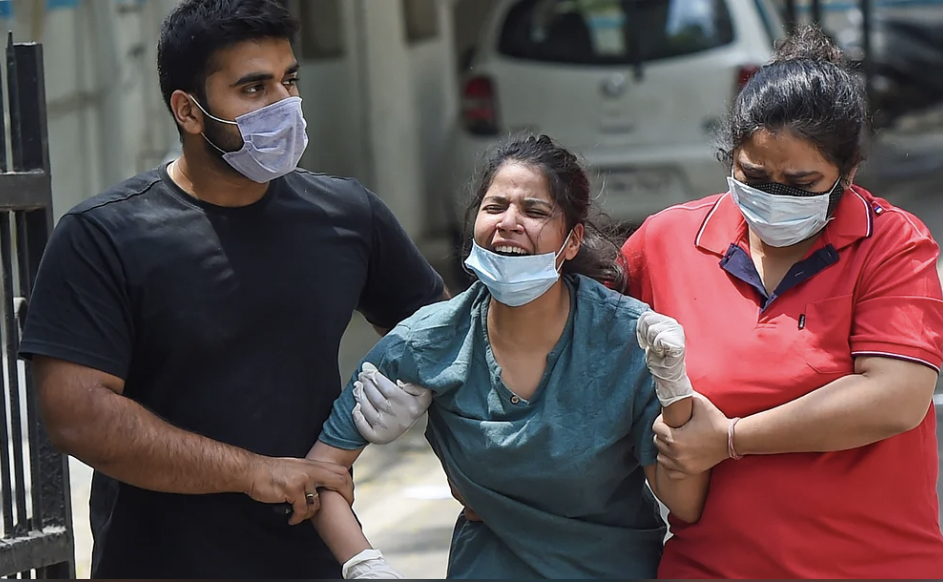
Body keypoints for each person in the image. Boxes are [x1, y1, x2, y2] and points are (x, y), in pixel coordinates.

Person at [19, 0, 447, 578]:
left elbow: (443, 336)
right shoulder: (105, 235)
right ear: (188, 111)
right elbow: (75, 413)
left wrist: (405, 392)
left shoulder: (347, 214)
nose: (283, 104)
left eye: (289, 80)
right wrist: (253, 472)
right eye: (253, 88)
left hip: (312, 560)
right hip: (158, 565)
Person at [304, 134, 711, 578]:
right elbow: (321, 470)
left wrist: (675, 394)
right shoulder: (429, 341)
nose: (508, 223)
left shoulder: (626, 338)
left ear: (572, 241)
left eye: (534, 211)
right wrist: (364, 564)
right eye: (495, 207)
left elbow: (685, 502)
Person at [620, 25, 943, 578]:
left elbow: (896, 398)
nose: (773, 196)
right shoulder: (666, 242)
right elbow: (574, 339)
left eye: (800, 182)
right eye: (754, 175)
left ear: (849, 173)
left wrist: (730, 440)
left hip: (875, 567)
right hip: (711, 567)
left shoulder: (892, 244)